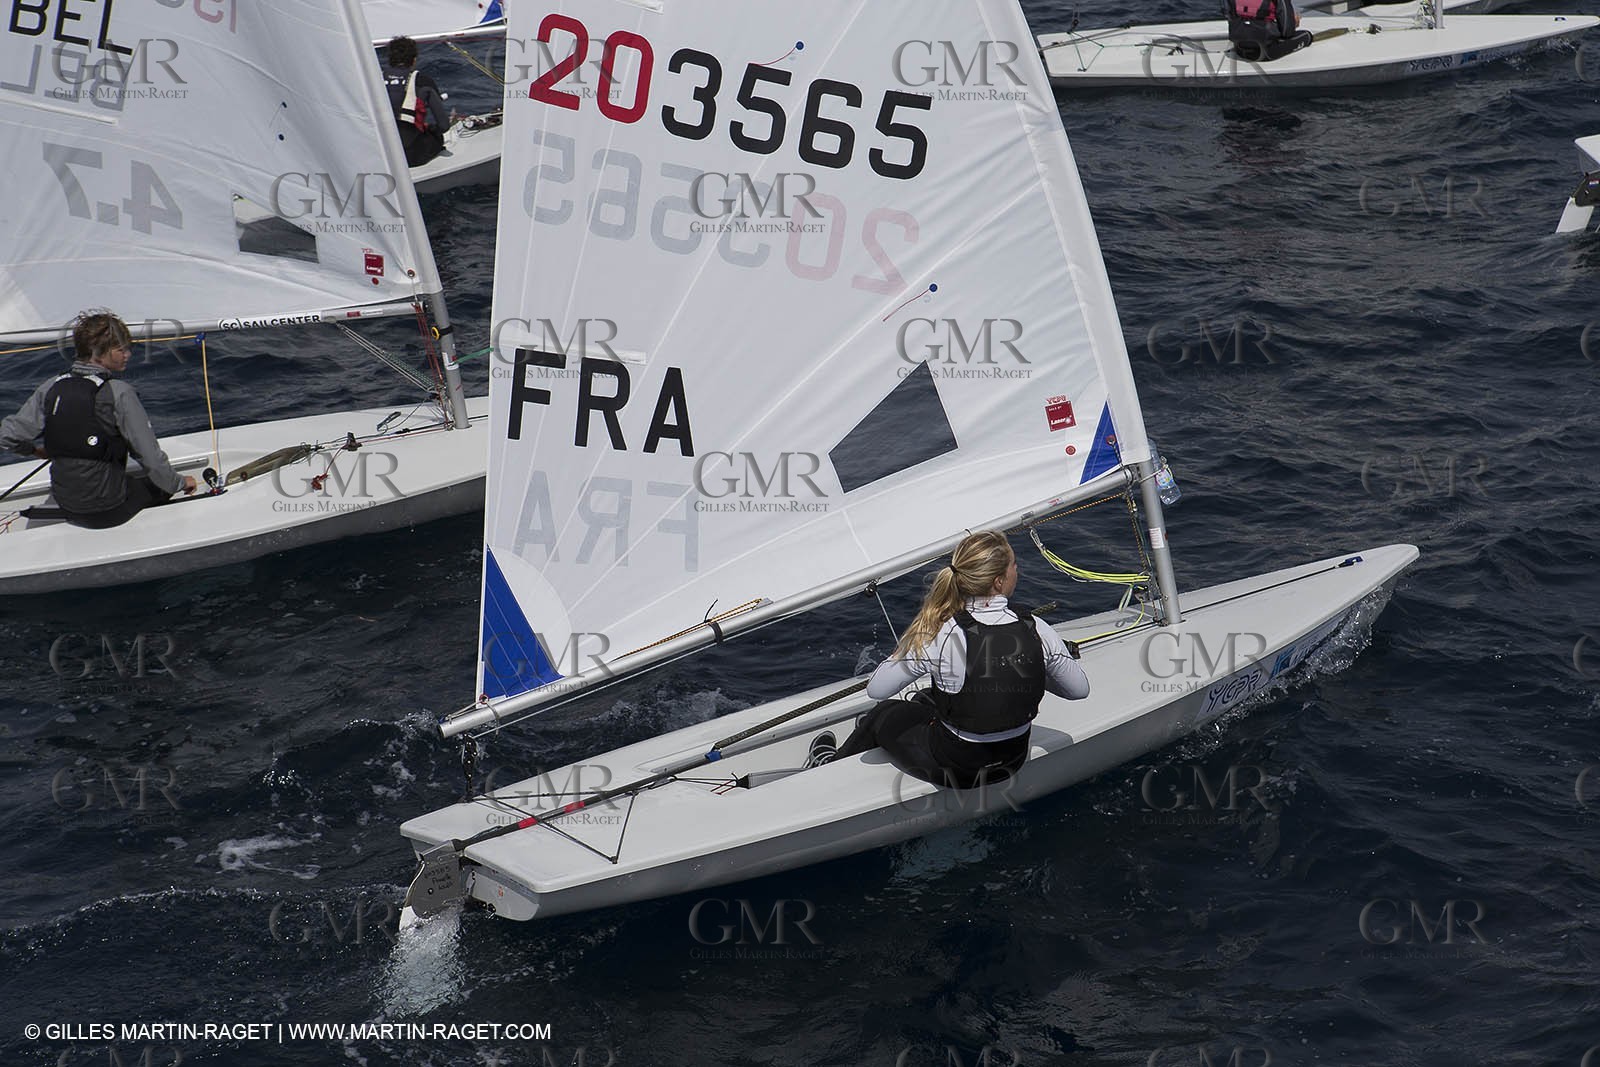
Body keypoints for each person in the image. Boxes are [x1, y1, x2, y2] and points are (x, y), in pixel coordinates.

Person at [820, 531, 1090, 789]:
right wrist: (1030, 668)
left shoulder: (941, 632)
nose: (1017, 570)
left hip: (956, 769)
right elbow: (1078, 690)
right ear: (999, 582)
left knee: (883, 712)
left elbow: (877, 689)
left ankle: (827, 766)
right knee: (929, 697)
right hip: (1012, 760)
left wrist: (915, 641)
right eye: (1014, 565)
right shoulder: (1037, 628)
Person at [0, 310, 195, 528]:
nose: (128, 354)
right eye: (121, 349)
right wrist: (179, 483)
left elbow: (6, 437)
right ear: (99, 354)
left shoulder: (51, 386)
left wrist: (34, 451)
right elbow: (150, 457)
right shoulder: (119, 392)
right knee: (160, 486)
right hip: (108, 512)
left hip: (66, 505)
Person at [382, 36, 450, 167]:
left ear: (390, 59)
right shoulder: (422, 81)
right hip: (410, 155)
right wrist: (432, 129)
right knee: (436, 137)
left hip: (382, 152)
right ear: (414, 60)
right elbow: (444, 126)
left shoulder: (375, 78)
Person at [1225, 0, 1314, 62]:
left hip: (1239, 49)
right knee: (1307, 35)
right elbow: (1287, 33)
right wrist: (1293, 23)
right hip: (1264, 53)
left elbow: (1232, 19)